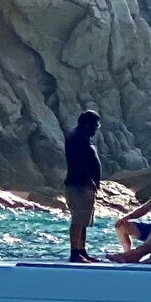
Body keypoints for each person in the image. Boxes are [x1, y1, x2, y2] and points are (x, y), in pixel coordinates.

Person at [64, 110, 103, 261]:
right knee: (78, 218)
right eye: (95, 125)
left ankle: (82, 250)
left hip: (85, 185)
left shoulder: (83, 137)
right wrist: (88, 180)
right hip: (78, 184)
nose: (95, 129)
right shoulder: (76, 138)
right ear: (87, 124)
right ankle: (75, 252)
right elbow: (78, 162)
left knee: (84, 219)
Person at [113, 185, 151, 262]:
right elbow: (146, 208)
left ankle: (130, 256)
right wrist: (127, 217)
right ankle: (127, 253)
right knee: (121, 225)